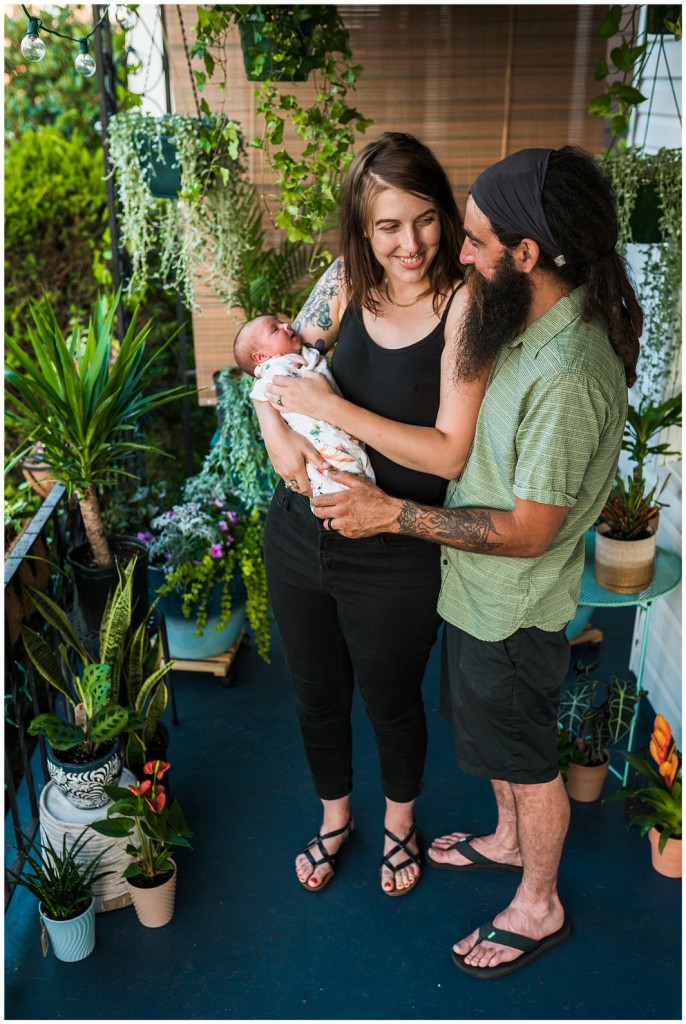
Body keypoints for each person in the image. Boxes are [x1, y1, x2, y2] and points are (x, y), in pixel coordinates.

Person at [299, 146, 642, 973]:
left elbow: (528, 531)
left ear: (527, 255)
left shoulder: (568, 374)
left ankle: (539, 901)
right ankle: (504, 842)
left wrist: (394, 513)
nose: (459, 251)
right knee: (496, 750)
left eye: (478, 240)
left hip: (513, 605)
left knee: (527, 763)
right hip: (475, 594)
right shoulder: (523, 315)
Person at [253, 132, 488, 896]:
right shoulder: (345, 280)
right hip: (299, 532)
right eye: (387, 227)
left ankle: (397, 824)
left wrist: (332, 410)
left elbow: (450, 454)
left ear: (442, 215)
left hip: (394, 545)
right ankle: (334, 819)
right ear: (361, 229)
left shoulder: (464, 304)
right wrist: (279, 437)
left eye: (422, 219)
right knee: (316, 692)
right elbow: (275, 365)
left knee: (391, 699)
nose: (409, 243)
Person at [233, 315, 375, 496]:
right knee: (334, 478)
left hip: (341, 427)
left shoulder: (303, 356)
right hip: (314, 442)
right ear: (262, 356)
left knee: (356, 471)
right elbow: (261, 391)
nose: (286, 325)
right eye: (275, 329)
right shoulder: (274, 370)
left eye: (280, 323)